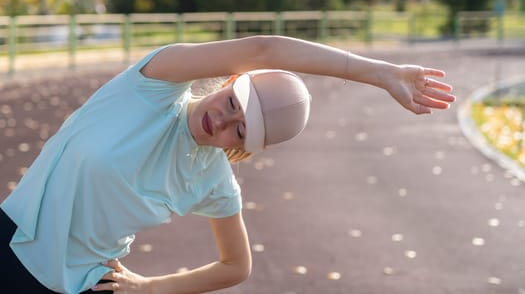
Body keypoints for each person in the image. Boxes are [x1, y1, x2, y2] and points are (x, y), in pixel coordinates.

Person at [0, 35, 455, 294]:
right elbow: (264, 50)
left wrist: (151, 287)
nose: (221, 120)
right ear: (231, 81)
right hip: (13, 244)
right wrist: (379, 72)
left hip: (87, 283)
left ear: (250, 146)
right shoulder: (153, 84)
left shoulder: (214, 180)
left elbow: (236, 265)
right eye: (233, 102)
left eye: (239, 131)